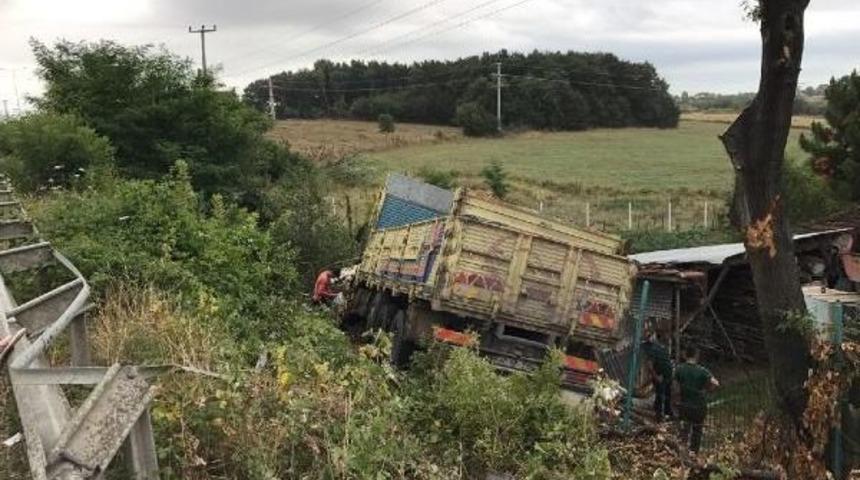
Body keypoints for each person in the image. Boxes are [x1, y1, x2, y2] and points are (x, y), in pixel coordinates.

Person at [674, 345, 719, 454]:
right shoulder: (702, 370)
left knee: (684, 429)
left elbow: (675, 387)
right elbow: (715, 383)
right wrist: (707, 390)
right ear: (696, 355)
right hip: (699, 405)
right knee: (697, 431)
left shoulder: (679, 369)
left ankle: (681, 452)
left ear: (685, 355)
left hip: (685, 404)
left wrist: (676, 400)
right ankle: (694, 453)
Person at [643, 326, 673, 421]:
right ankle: (658, 416)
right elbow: (649, 364)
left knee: (667, 395)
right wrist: (656, 376)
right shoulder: (654, 348)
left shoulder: (664, 348)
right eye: (667, 334)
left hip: (667, 376)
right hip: (660, 377)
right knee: (660, 396)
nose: (668, 336)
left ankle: (668, 413)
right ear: (662, 335)